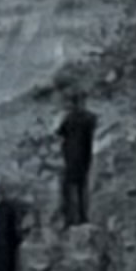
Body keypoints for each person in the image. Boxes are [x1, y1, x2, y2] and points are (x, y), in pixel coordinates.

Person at [56, 98, 97, 229]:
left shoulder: (70, 119)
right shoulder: (89, 118)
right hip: (84, 158)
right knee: (81, 188)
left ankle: (70, 218)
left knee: (68, 188)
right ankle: (82, 216)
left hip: (71, 158)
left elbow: (59, 132)